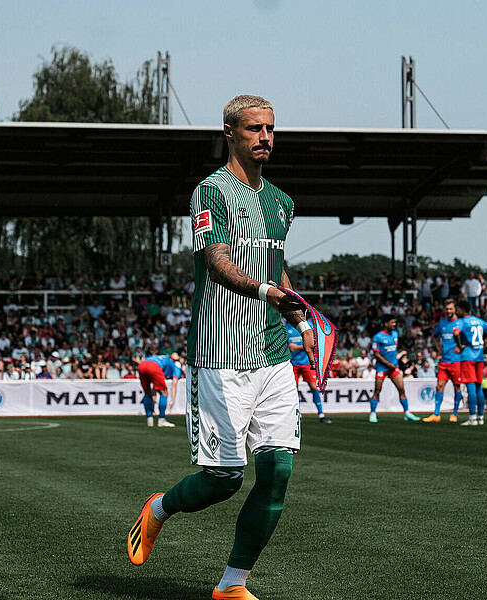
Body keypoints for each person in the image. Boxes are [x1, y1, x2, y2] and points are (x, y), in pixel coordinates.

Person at [127, 95, 316, 600]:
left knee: (278, 470)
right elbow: (217, 263)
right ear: (229, 133)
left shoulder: (282, 202)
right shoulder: (209, 192)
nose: (266, 138)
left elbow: (275, 269)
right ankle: (159, 508)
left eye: (271, 129)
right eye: (254, 129)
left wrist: (298, 317)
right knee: (224, 478)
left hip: (273, 353)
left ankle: (232, 585)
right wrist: (266, 292)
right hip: (221, 355)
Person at [370, 315, 420, 422]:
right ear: (386, 324)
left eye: (395, 322)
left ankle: (407, 413)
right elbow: (376, 355)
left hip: (394, 368)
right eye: (392, 322)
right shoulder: (378, 337)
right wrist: (388, 364)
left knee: (401, 389)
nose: (394, 324)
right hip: (382, 368)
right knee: (377, 391)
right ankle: (373, 413)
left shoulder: (395, 334)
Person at [455, 301, 487, 426]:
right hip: (479, 357)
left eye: (457, 309)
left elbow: (456, 332)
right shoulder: (478, 320)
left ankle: (472, 417)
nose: (457, 312)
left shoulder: (462, 321)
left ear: (462, 310)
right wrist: (485, 342)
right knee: (479, 387)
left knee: (471, 387)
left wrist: (460, 346)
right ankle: (481, 417)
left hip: (468, 356)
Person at [426, 298, 464, 422]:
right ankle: (436, 414)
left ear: (455, 310)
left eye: (450, 309)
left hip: (456, 361)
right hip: (444, 361)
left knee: (457, 387)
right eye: (447, 309)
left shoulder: (461, 323)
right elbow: (434, 335)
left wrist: (462, 347)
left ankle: (454, 413)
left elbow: (469, 338)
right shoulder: (442, 324)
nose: (448, 311)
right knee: (439, 386)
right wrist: (438, 349)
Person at [286, 321, 330, 424]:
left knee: (314, 387)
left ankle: (321, 414)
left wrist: (297, 347)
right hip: (293, 363)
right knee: (294, 389)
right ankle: (298, 413)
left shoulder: (308, 325)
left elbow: (315, 344)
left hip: (307, 363)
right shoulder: (286, 328)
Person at [136, 353, 183, 427]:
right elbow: (174, 384)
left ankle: (149, 419)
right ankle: (161, 419)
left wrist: (154, 395)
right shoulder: (176, 368)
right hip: (154, 366)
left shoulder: (163, 358)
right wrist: (173, 400)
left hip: (142, 365)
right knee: (164, 393)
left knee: (147, 392)